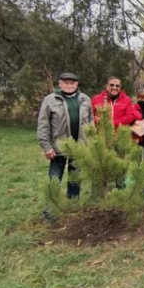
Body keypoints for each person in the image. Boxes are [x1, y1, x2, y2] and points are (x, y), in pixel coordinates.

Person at [37, 72, 94, 208]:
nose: (69, 85)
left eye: (72, 83)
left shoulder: (85, 99)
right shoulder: (50, 100)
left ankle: (72, 207)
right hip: (58, 148)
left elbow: (91, 123)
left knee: (75, 180)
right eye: (66, 82)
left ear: (77, 84)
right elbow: (43, 125)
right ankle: (50, 211)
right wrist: (46, 147)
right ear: (60, 84)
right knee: (55, 180)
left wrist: (90, 143)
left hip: (79, 147)